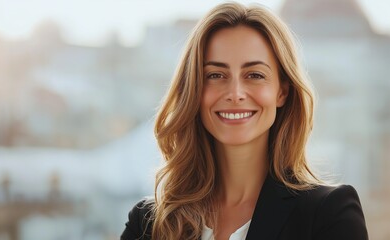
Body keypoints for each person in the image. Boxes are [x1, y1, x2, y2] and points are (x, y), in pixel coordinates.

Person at [121, 2, 368, 240]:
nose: (235, 93)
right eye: (216, 75)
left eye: (254, 75)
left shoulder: (328, 214)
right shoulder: (148, 223)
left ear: (282, 92)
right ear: (194, 90)